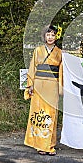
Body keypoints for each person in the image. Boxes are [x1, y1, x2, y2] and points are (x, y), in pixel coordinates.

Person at [24, 25, 63, 156]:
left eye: (53, 35)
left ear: (56, 36)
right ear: (44, 36)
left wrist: (61, 87)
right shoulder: (38, 51)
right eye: (48, 35)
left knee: (51, 114)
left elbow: (62, 71)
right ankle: (40, 145)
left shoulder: (60, 52)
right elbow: (32, 68)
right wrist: (30, 85)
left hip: (52, 85)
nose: (50, 37)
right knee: (39, 113)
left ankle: (50, 145)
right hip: (39, 84)